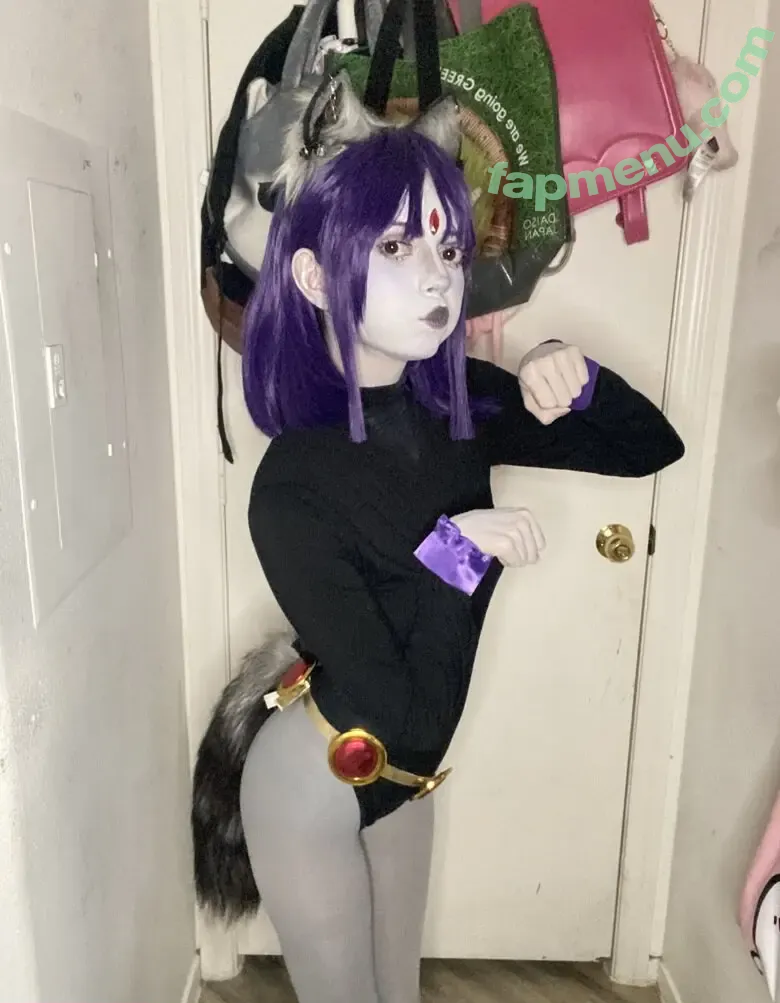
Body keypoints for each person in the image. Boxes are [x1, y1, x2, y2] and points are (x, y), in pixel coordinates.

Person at [191, 74, 684, 1003]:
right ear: (314, 276)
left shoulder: (463, 407)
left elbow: (651, 448)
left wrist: (572, 377)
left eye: (449, 246)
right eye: (394, 244)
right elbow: (390, 691)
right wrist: (456, 547)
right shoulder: (291, 485)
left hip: (404, 773)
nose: (436, 274)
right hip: (316, 779)